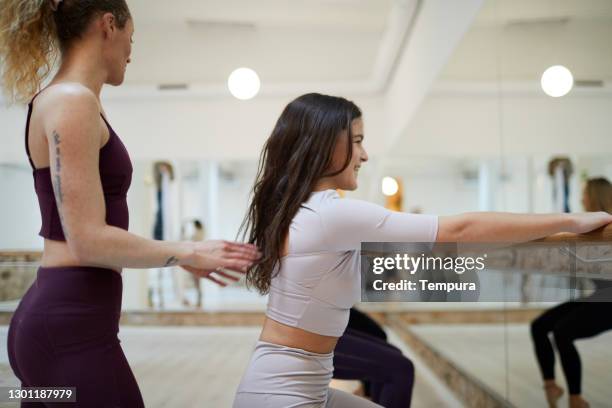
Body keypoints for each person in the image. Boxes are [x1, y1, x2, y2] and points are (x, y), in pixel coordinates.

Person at [233, 93, 612, 407]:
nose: (364, 156)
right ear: (326, 142)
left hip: (298, 385)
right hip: (282, 394)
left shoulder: (301, 210)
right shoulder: (329, 214)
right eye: (359, 140)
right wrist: (569, 221)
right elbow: (460, 229)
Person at [0, 1, 259, 406]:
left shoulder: (69, 100)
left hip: (61, 321)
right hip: (69, 327)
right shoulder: (72, 101)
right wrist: (188, 249)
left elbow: (93, 231)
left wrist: (178, 257)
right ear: (108, 25)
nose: (131, 52)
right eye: (131, 37)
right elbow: (88, 240)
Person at [530, 177, 612, 408]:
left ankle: (576, 399)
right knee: (539, 327)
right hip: (600, 297)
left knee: (562, 332)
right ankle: (551, 387)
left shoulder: (608, 226)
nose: (580, 198)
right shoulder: (591, 225)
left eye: (584, 193)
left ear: (595, 196)